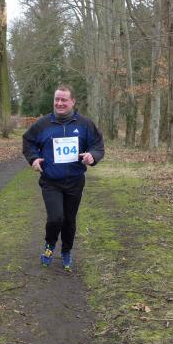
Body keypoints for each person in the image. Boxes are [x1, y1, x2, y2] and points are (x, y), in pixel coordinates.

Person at [22, 84, 104, 271]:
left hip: (75, 181)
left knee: (69, 219)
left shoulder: (85, 124)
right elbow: (28, 142)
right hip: (51, 181)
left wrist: (92, 156)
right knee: (55, 217)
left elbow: (98, 146)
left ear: (72, 101)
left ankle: (66, 251)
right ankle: (50, 245)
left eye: (63, 100)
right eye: (56, 99)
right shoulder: (42, 124)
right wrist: (33, 158)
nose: (59, 103)